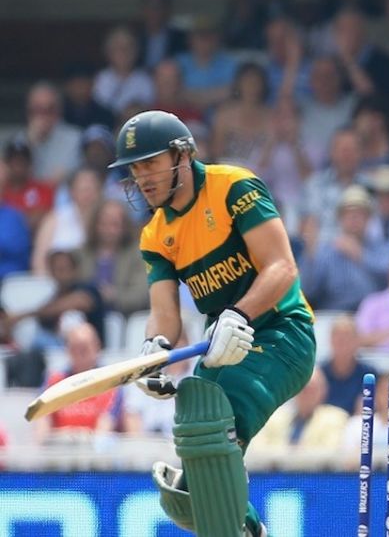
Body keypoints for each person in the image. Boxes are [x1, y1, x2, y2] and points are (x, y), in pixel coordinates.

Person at [107, 110, 314, 536]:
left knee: (211, 425)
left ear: (181, 155)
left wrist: (239, 313)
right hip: (222, 345)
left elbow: (282, 267)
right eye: (134, 169)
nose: (141, 178)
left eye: (150, 164)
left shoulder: (233, 186)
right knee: (190, 490)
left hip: (282, 334)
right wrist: (155, 350)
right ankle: (250, 529)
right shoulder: (155, 234)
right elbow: (165, 314)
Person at [299, 185, 389, 312]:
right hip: (335, 316)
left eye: (359, 213)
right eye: (349, 213)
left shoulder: (382, 248)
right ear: (339, 218)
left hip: (374, 317)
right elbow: (307, 291)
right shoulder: (326, 252)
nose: (354, 218)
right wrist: (310, 254)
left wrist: (360, 255)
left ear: (369, 218)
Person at [33, 322, 117, 444]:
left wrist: (79, 438)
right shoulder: (54, 381)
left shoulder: (110, 382)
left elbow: (104, 428)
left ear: (97, 347)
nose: (79, 354)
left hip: (94, 454)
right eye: (74, 348)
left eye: (84, 348)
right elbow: (42, 423)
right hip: (58, 451)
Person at [76, 199, 150, 316]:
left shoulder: (138, 254)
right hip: (85, 316)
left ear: (125, 226)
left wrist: (111, 296)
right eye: (103, 223)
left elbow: (140, 296)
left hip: (126, 319)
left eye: (114, 224)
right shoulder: (80, 253)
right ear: (95, 224)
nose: (108, 230)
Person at [249, 368, 349, 452]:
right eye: (301, 388)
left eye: (311, 389)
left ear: (323, 391)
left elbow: (329, 451)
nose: (305, 394)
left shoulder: (335, 418)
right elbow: (257, 449)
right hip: (272, 474)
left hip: (314, 474)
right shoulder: (274, 417)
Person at [320, 315, 377, 415]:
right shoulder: (319, 374)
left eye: (347, 337)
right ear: (330, 340)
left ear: (357, 341)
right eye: (338, 337)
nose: (342, 341)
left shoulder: (369, 375)